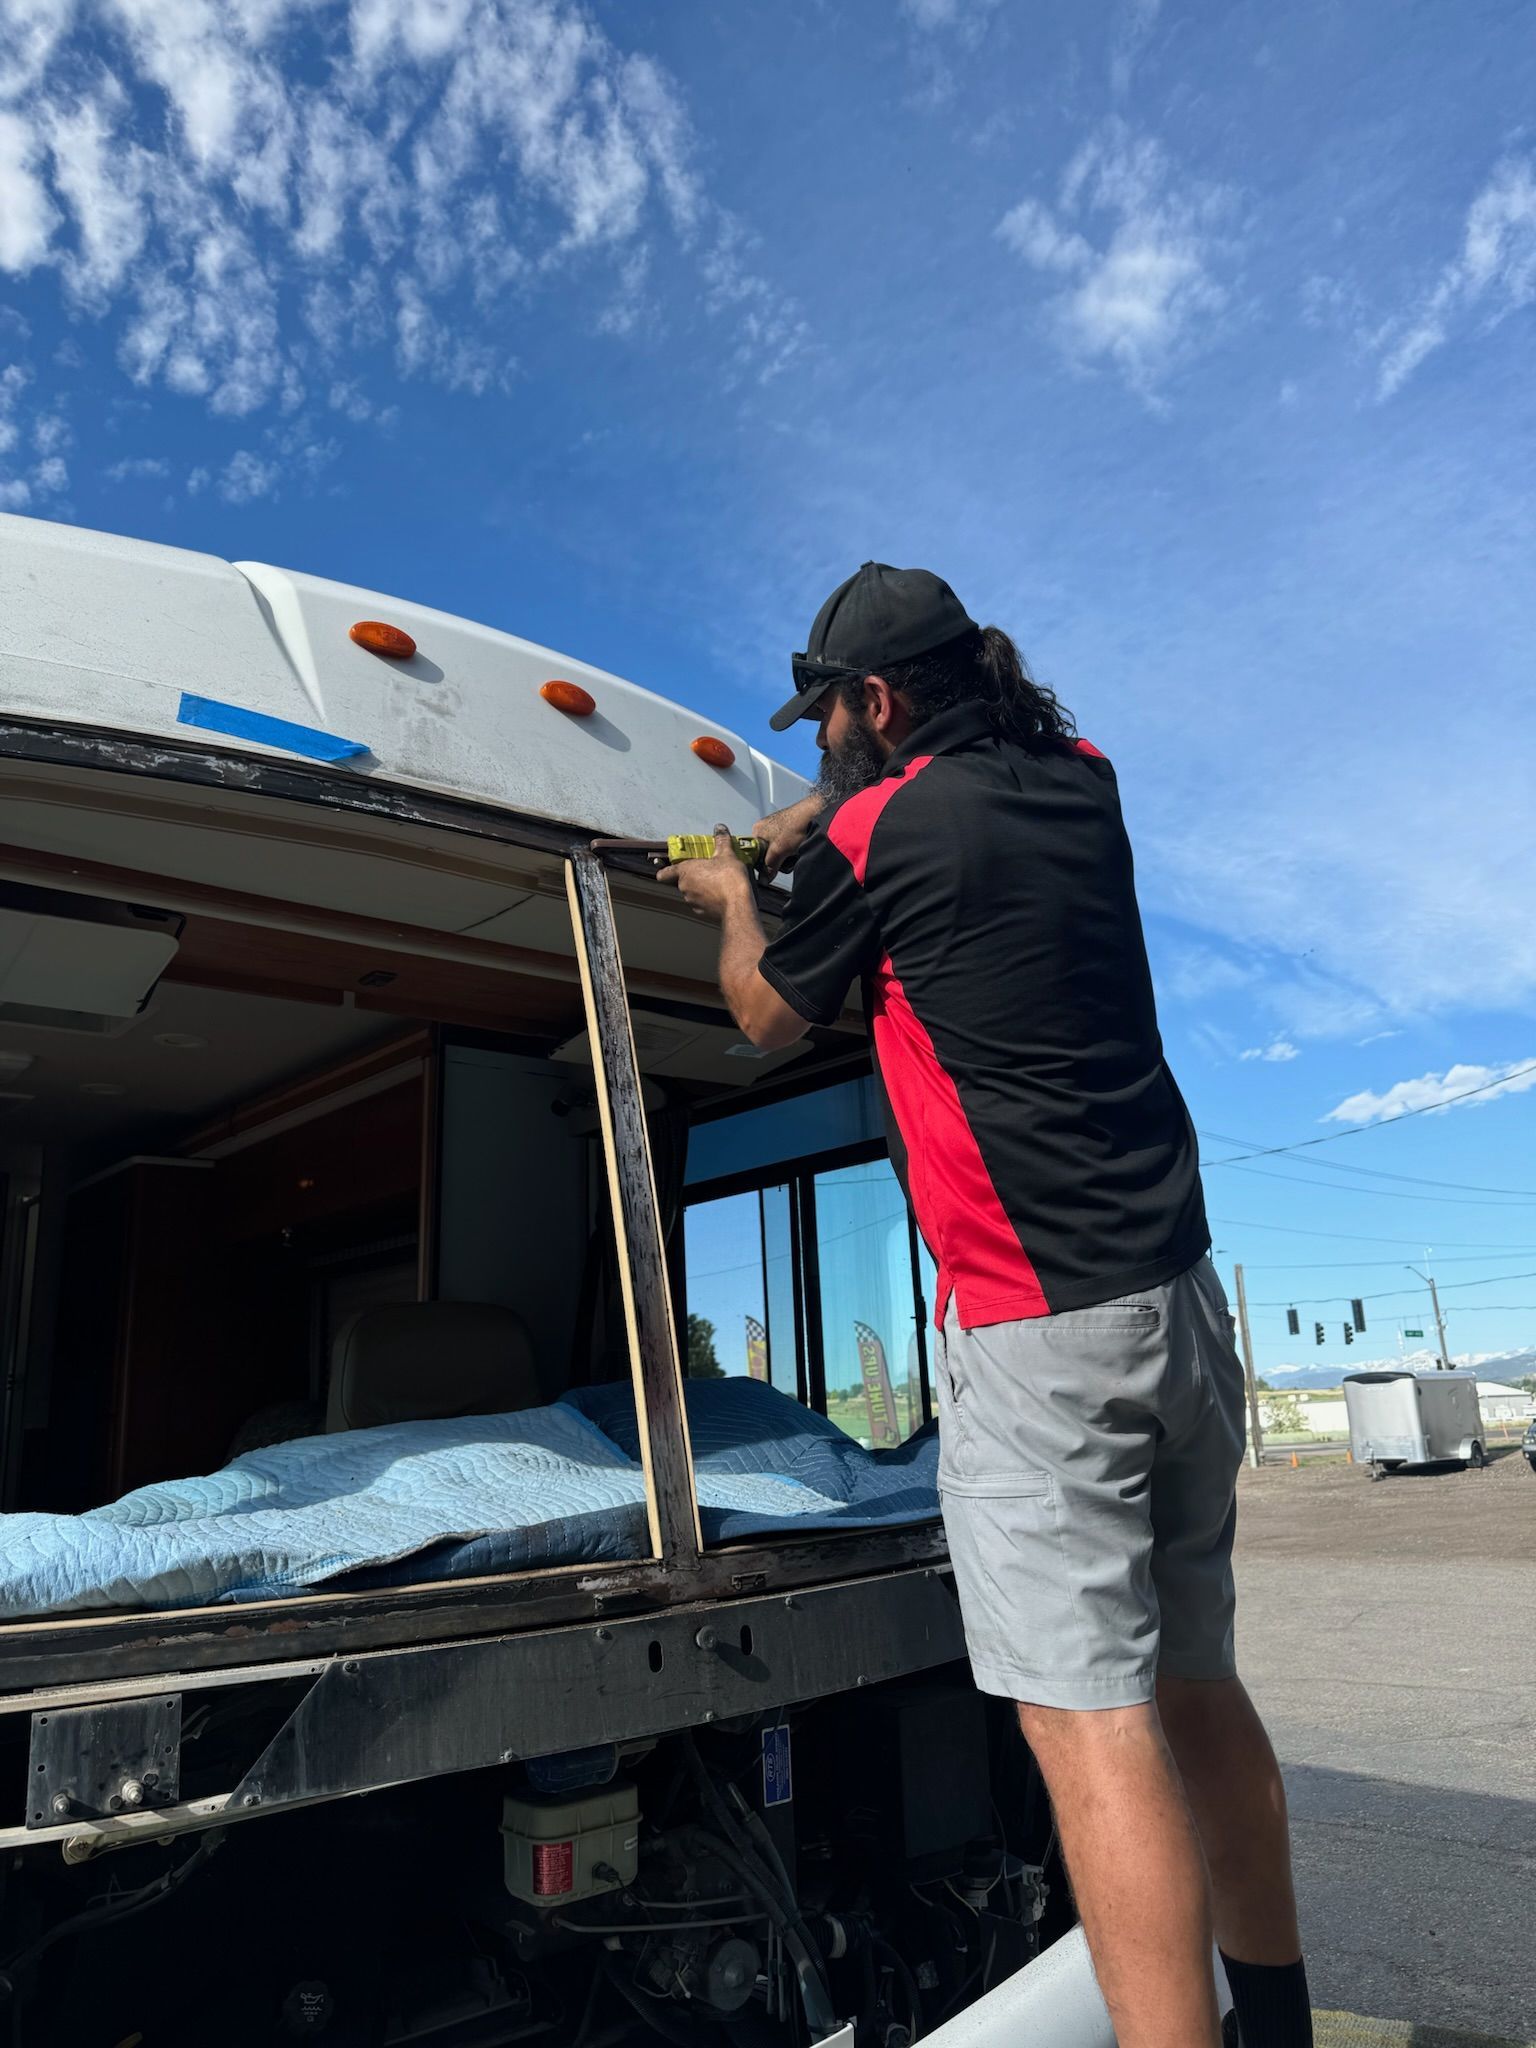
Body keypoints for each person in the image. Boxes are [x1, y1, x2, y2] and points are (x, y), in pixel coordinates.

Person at [657, 563, 1311, 2048]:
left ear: (875, 702)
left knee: (1093, 1737)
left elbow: (763, 1018)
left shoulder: (880, 829)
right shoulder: (1085, 784)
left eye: (827, 714)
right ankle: (1279, 2026)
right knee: (1202, 1692)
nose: (821, 740)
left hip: (1034, 1328)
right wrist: (815, 814)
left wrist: (731, 896)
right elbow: (928, 795)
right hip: (1183, 1303)